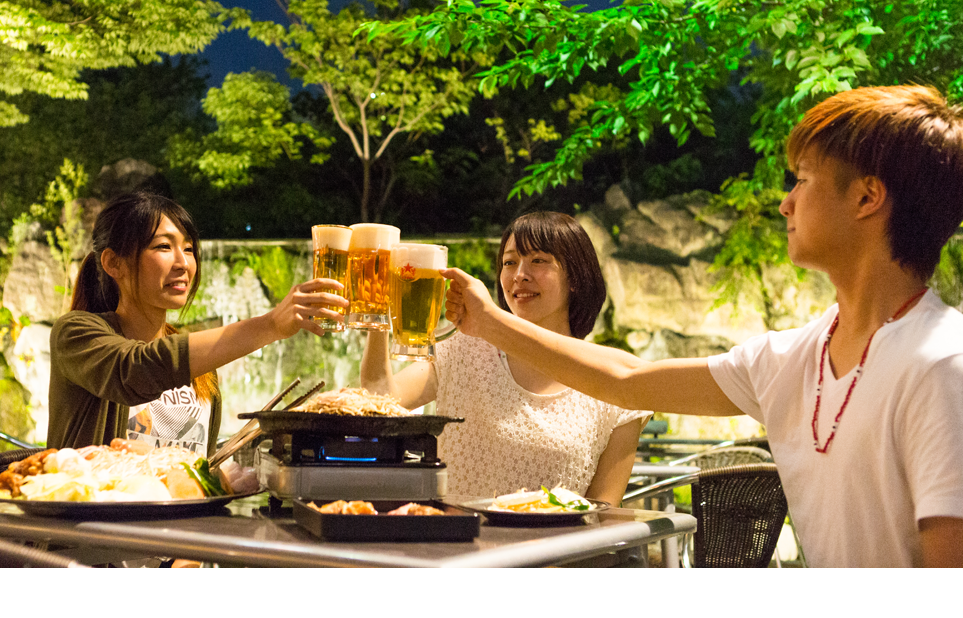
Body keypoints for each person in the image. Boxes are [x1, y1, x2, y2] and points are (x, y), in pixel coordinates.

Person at [442, 85, 963, 567]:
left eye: (802, 179)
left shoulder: (942, 366)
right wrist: (487, 323)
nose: (785, 202)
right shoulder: (794, 357)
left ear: (867, 198)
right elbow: (626, 381)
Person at [360, 212, 650, 502]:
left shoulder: (613, 387)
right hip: (454, 542)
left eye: (538, 261)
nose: (520, 275)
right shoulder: (464, 349)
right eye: (509, 262)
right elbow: (379, 400)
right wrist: (377, 312)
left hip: (555, 547)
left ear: (576, 277)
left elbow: (604, 513)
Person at [47, 189, 347, 456]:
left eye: (189, 249)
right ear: (114, 263)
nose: (183, 263)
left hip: (182, 518)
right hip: (98, 517)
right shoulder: (75, 333)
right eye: (164, 247)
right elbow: (136, 371)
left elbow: (201, 466)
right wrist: (270, 325)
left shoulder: (202, 371)